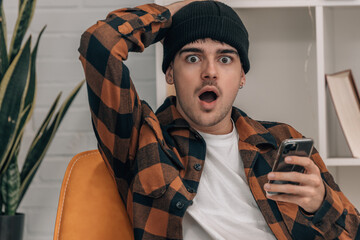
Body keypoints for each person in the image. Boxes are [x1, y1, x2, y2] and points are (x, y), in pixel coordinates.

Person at [79, 0, 360, 239]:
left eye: (225, 59)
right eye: (192, 58)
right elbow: (100, 44)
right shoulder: (141, 137)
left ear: (241, 77)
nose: (210, 72)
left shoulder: (279, 140)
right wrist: (174, 13)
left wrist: (321, 204)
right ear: (169, 74)